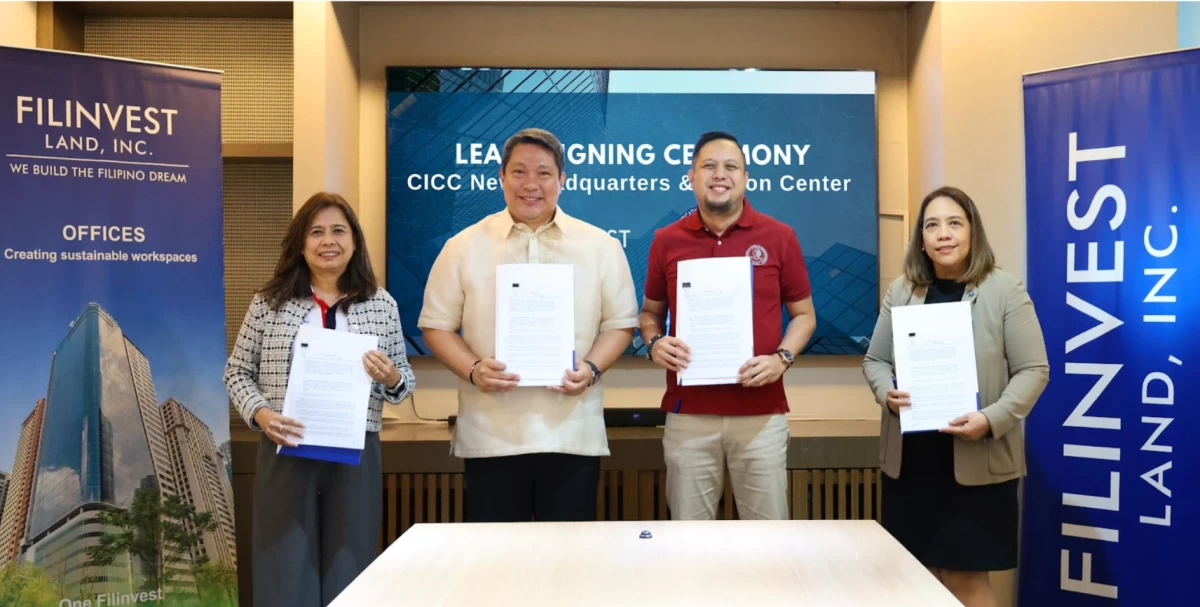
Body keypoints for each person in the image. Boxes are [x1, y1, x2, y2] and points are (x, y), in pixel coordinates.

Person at [419, 127, 638, 522]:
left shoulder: (601, 247)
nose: (531, 184)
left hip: (573, 434)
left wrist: (589, 370)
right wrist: (472, 370)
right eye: (519, 172)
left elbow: (620, 324)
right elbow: (436, 325)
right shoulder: (464, 246)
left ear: (562, 180)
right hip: (491, 436)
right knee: (495, 566)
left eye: (544, 173)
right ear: (501, 177)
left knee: (568, 563)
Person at [224, 192, 415, 607]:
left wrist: (391, 376)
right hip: (286, 446)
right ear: (301, 243)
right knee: (283, 562)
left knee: (351, 561)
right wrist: (261, 414)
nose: (328, 241)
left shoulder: (381, 304)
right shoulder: (269, 302)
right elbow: (236, 372)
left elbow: (404, 384)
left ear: (354, 241)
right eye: (316, 232)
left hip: (355, 449)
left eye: (338, 231)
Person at [862, 186, 1049, 607]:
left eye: (954, 223)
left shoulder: (1004, 289)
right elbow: (874, 360)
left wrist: (991, 419)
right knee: (916, 581)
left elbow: (1034, 370)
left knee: (965, 582)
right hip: (912, 466)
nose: (943, 234)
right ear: (922, 239)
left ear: (972, 231)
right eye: (932, 225)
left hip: (975, 464)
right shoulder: (903, 290)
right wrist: (884, 391)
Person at [640, 131, 816, 521]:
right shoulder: (665, 241)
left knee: (768, 542)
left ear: (746, 177)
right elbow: (649, 313)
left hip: (760, 415)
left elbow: (804, 315)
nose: (720, 175)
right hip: (689, 418)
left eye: (730, 166)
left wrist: (781, 358)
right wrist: (654, 342)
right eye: (709, 166)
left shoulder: (780, 236)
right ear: (691, 176)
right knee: (689, 541)